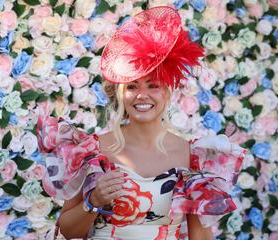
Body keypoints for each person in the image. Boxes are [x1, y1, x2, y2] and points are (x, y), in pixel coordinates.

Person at [36, 6, 247, 240]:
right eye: (132, 87)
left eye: (153, 85)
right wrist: (94, 201)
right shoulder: (91, 150)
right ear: (120, 94)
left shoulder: (192, 157)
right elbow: (67, 228)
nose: (142, 95)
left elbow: (201, 236)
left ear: (167, 92)